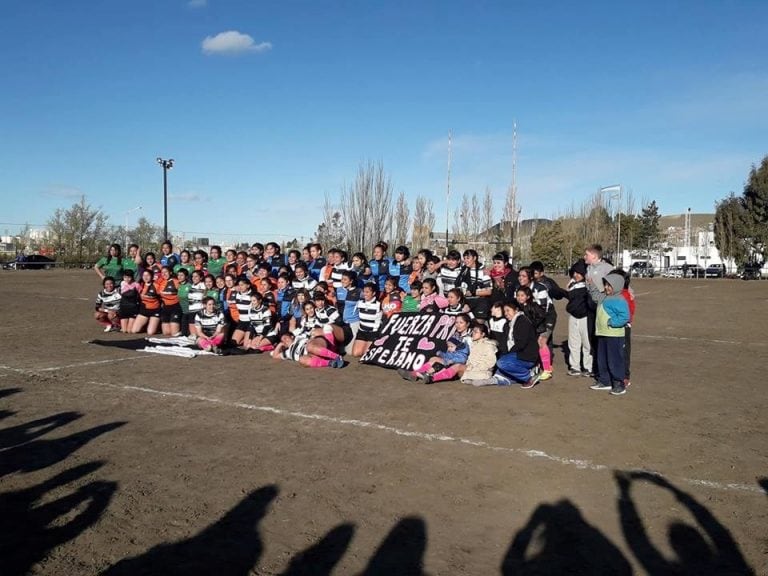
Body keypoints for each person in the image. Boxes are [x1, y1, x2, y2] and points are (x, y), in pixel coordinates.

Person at [397, 313, 472, 383]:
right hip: (453, 360)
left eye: (461, 323)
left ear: (467, 324)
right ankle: (414, 374)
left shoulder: (470, 338)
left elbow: (467, 356)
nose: (458, 325)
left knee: (456, 365)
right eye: (456, 322)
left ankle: (432, 378)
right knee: (434, 359)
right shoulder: (455, 335)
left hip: (463, 364)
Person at [589, 273, 630, 395]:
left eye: (609, 285)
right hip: (602, 333)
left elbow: (624, 316)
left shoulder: (619, 300)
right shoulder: (603, 297)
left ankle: (618, 383)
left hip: (614, 335)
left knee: (615, 360)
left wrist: (612, 322)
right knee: (602, 358)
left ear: (617, 286)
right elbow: (595, 296)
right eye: (606, 285)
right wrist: (591, 285)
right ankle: (605, 380)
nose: (606, 288)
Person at [490, 299, 541, 389]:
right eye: (504, 311)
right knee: (499, 373)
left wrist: (507, 356)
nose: (506, 313)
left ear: (516, 310)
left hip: (526, 355)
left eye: (508, 310)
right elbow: (504, 343)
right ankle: (518, 376)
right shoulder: (507, 325)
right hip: (514, 353)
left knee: (502, 363)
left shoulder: (523, 322)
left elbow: (521, 343)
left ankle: (529, 376)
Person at [517, 267, 556, 381]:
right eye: (519, 276)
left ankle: (547, 369)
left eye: (524, 276)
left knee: (542, 341)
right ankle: (537, 365)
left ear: (531, 277)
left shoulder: (540, 288)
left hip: (546, 317)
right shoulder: (519, 289)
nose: (520, 278)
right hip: (531, 318)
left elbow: (542, 310)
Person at [564, 260, 593, 377]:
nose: (576, 275)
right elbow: (569, 295)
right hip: (573, 317)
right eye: (574, 272)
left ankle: (588, 367)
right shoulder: (572, 285)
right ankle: (575, 366)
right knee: (573, 343)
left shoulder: (588, 286)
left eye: (579, 273)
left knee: (587, 343)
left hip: (585, 317)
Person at [271, 325, 345, 368]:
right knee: (302, 360)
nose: (284, 341)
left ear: (292, 337)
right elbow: (275, 355)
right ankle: (330, 363)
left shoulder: (298, 337)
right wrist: (280, 344)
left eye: (285, 338)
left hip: (316, 344)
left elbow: (311, 332)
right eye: (282, 341)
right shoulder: (288, 353)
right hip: (312, 355)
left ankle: (337, 357)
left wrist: (311, 338)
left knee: (309, 347)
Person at [456, 249, 492, 320]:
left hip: (480, 302)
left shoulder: (483, 271)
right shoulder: (463, 270)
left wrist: (473, 292)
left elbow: (488, 291)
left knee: (478, 325)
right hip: (467, 302)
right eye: (464, 258)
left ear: (475, 258)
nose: (466, 260)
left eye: (468, 258)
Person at [351, 282, 383, 357]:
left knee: (366, 355)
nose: (365, 294)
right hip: (362, 331)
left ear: (374, 293)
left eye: (367, 292)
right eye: (364, 292)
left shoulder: (379, 304)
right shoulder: (359, 303)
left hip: (373, 333)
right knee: (356, 354)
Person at [131, 269, 161, 335]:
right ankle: (147, 323)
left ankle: (158, 324)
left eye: (148, 275)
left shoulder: (157, 285)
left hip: (155, 310)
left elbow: (162, 298)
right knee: (134, 331)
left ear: (152, 276)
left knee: (150, 332)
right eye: (144, 275)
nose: (145, 277)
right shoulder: (140, 285)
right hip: (144, 310)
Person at [157, 266, 182, 337]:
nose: (164, 274)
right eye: (162, 272)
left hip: (175, 307)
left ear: (170, 272)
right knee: (166, 333)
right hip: (165, 307)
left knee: (174, 333)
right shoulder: (160, 282)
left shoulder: (176, 281)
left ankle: (183, 329)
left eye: (166, 272)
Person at [118, 269, 141, 333]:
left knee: (129, 331)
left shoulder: (136, 285)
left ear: (132, 277)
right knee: (124, 331)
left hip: (133, 308)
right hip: (123, 308)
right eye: (125, 277)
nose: (127, 279)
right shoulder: (122, 283)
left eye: (129, 277)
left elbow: (140, 296)